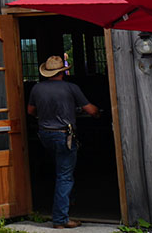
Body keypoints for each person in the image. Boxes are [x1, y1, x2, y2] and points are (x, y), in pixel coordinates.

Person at [26, 55, 99, 229]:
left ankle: (68, 200)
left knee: (62, 169)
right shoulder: (71, 88)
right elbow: (90, 110)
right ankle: (60, 218)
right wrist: (98, 113)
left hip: (45, 135)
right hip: (64, 135)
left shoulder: (37, 89)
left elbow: (30, 111)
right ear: (63, 72)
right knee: (64, 176)